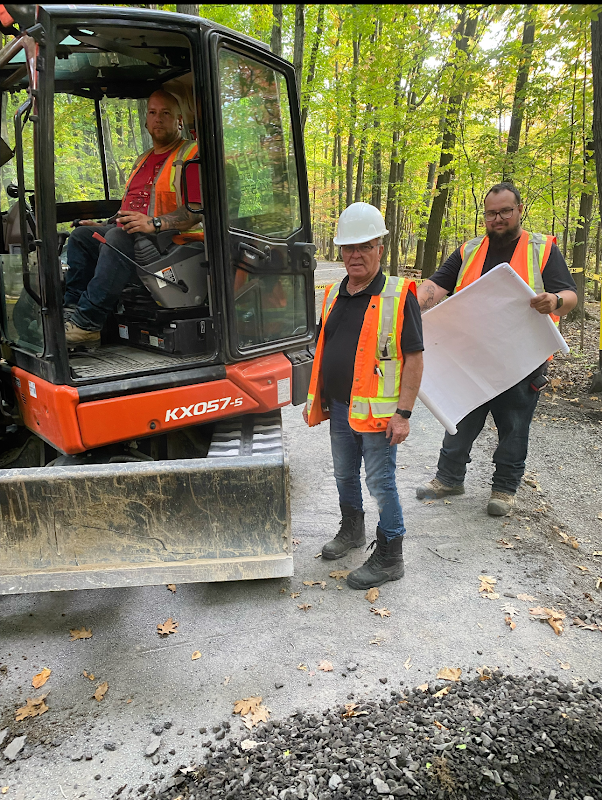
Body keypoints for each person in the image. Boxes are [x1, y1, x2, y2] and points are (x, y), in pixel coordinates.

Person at [415, 182, 577, 516]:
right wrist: (407, 307)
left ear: (519, 210)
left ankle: (504, 490)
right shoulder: (469, 250)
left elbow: (570, 296)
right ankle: (449, 479)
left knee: (514, 425)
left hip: (523, 360)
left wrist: (555, 301)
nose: (498, 218)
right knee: (459, 416)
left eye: (505, 211)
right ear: (485, 215)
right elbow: (435, 286)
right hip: (471, 355)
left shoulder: (542, 248)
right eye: (491, 213)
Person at [303, 202, 424, 590]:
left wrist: (403, 413)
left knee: (380, 482)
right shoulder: (333, 294)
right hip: (340, 408)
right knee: (342, 475)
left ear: (380, 249)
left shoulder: (398, 294)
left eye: (364, 247)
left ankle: (391, 555)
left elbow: (415, 359)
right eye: (348, 247)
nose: (355, 255)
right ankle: (351, 530)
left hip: (378, 416)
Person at [63, 90, 202, 347]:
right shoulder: (143, 159)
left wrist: (155, 223)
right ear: (147, 121)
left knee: (117, 236)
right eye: (152, 113)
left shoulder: (191, 155)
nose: (158, 119)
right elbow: (131, 208)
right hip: (134, 236)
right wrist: (105, 224)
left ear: (179, 121)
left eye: (165, 113)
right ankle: (71, 313)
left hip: (173, 242)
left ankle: (88, 323)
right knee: (81, 237)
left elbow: (196, 212)